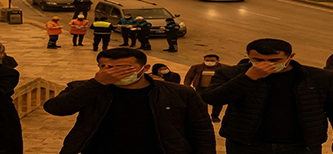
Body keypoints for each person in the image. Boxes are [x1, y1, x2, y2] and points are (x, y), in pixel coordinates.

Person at [43, 47, 216, 154]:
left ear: (144, 68)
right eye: (107, 68)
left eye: (125, 68)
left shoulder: (179, 93)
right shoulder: (86, 89)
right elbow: (57, 108)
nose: (115, 73)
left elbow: (201, 130)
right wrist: (97, 84)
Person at [201, 38, 333, 154]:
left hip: (301, 145)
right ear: (248, 56)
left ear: (290, 57)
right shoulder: (231, 73)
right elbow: (212, 98)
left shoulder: (319, 77)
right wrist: (248, 78)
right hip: (247, 144)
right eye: (258, 60)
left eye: (274, 60)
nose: (266, 64)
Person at [184, 54, 227, 123]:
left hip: (217, 88)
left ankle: (215, 116)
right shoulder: (196, 67)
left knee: (218, 103)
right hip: (201, 88)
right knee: (201, 103)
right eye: (207, 60)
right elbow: (189, 77)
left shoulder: (225, 67)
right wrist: (186, 86)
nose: (209, 62)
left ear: (218, 61)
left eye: (212, 61)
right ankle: (204, 116)